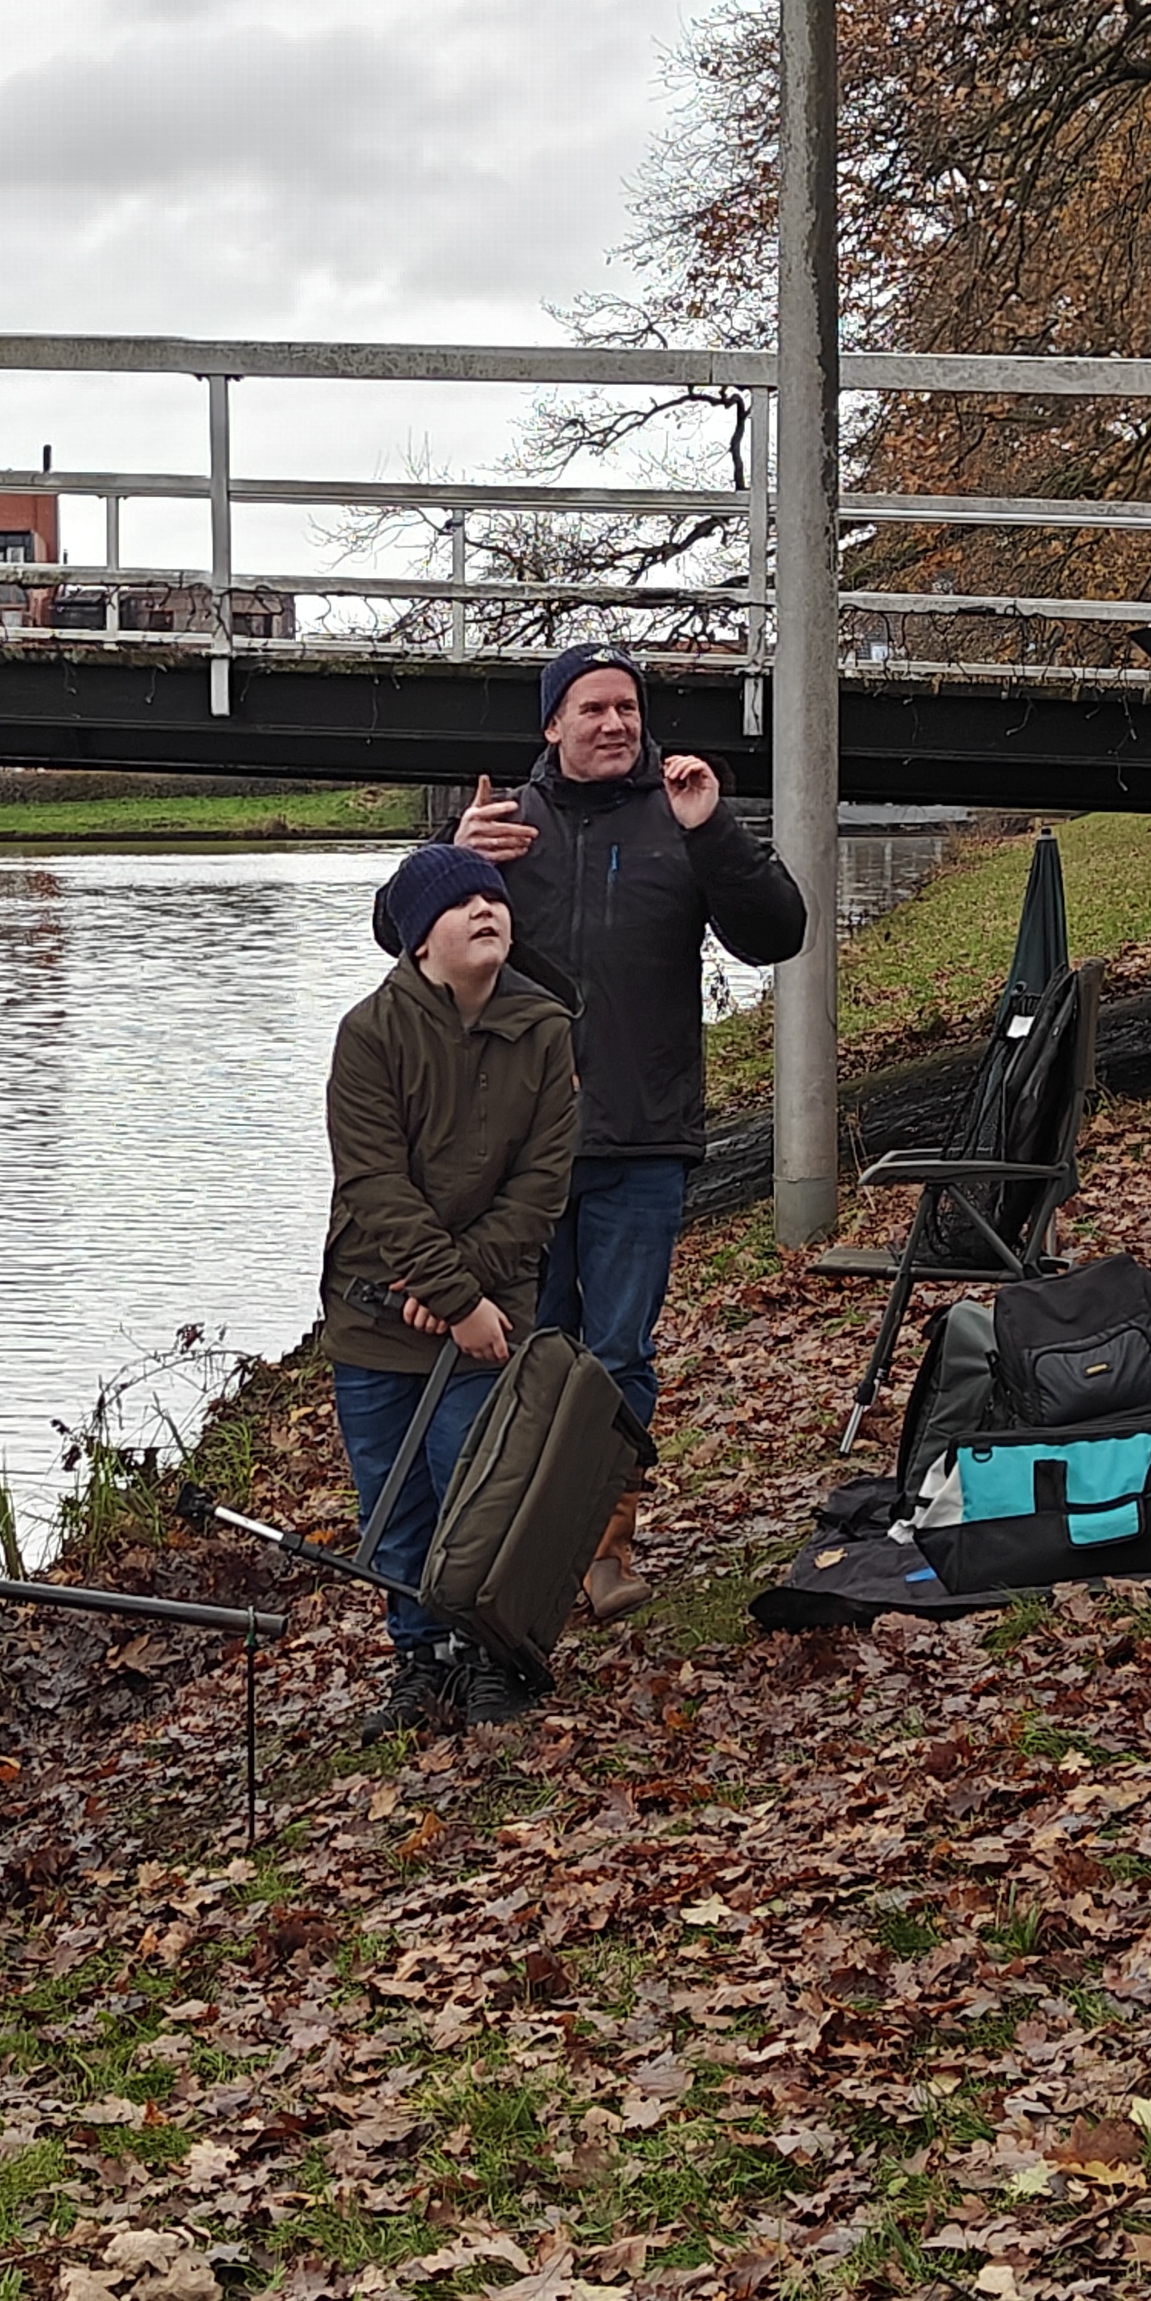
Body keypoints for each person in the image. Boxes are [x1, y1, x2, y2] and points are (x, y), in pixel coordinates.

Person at [449, 646, 810, 1614]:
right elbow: (400, 943)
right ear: (552, 726)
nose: (614, 724)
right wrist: (450, 863)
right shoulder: (504, 827)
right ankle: (523, 1541)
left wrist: (712, 830)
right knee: (531, 1348)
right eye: (592, 709)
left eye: (627, 708)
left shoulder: (680, 816)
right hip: (518, 1148)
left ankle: (603, 1544)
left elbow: (778, 934)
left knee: (617, 1354)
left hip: (643, 1136)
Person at [321, 843, 580, 1731]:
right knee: (395, 1502)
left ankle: (494, 1653)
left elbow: (542, 1185)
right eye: (460, 901)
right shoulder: (370, 1034)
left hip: (490, 1314)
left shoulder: (546, 1029)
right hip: (375, 1313)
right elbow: (373, 1183)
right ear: (419, 939)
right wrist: (449, 1294)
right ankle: (420, 1660)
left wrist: (468, 1298)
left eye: (493, 898)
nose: (485, 910)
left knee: (481, 1487)